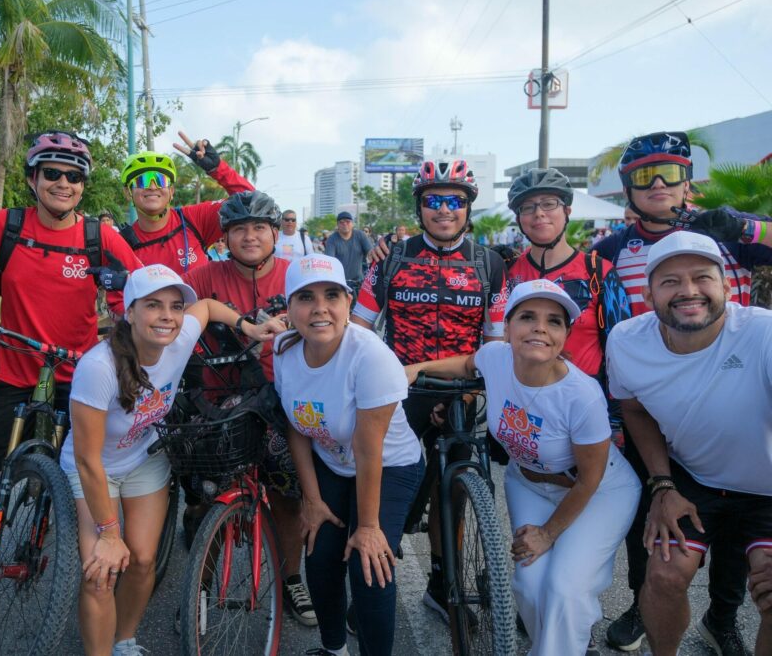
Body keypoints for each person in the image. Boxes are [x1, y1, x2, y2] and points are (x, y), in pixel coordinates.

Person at [0, 130, 141, 631]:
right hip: (14, 372)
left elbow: (138, 289)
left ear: (83, 186)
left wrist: (122, 329)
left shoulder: (97, 237)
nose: (63, 183)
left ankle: (86, 577)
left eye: (73, 176)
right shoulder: (5, 226)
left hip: (79, 378)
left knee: (81, 478)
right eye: (52, 173)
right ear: (33, 179)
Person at [594, 131, 772, 652]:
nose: (657, 184)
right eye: (643, 176)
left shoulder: (725, 232)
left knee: (743, 554)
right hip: (653, 388)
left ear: (687, 179)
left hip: (739, 380)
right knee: (653, 535)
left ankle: (722, 618)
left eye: (669, 172)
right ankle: (641, 606)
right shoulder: (609, 249)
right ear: (626, 189)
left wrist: (745, 225)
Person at [408, 279, 639, 655]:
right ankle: (561, 644)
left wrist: (548, 533)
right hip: (528, 483)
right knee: (529, 587)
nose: (540, 328)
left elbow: (591, 478)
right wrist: (415, 368)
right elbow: (467, 364)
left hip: (596, 491)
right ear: (508, 326)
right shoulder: (497, 357)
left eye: (554, 321)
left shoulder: (581, 396)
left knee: (565, 589)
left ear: (565, 335)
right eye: (527, 317)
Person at [62, 264, 277, 656]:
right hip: (97, 469)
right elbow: (87, 459)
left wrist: (248, 327)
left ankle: (123, 640)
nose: (167, 316)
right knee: (101, 571)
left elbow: (209, 306)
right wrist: (110, 533)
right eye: (153, 305)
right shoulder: (98, 368)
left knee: (143, 560)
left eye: (176, 307)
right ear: (129, 312)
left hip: (143, 458)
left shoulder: (177, 340)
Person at [352, 159, 507, 625]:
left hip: (461, 388)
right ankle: (371, 578)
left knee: (455, 491)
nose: (444, 210)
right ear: (420, 208)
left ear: (467, 208)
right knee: (386, 488)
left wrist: (476, 391)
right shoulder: (392, 258)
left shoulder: (489, 264)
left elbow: (496, 339)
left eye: (454, 201)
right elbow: (359, 325)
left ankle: (442, 584)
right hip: (400, 390)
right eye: (433, 201)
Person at [274, 255, 423, 656]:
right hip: (332, 462)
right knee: (320, 552)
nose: (320, 308)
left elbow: (368, 449)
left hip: (388, 464)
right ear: (288, 309)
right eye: (305, 297)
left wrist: (369, 527)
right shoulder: (284, 351)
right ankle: (333, 649)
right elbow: (296, 428)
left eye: (331, 295)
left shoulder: (371, 358)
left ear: (348, 302)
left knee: (368, 563)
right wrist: (313, 501)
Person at [183, 190, 316, 627]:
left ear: (276, 233)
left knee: (287, 495)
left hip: (280, 399)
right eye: (239, 228)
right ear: (225, 237)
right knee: (207, 497)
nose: (250, 236)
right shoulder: (202, 277)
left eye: (259, 227)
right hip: (218, 399)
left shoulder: (297, 275)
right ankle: (199, 588)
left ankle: (291, 578)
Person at [504, 167, 631, 392]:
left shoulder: (599, 272)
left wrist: (615, 418)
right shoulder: (507, 271)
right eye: (528, 207)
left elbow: (621, 349)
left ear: (567, 211)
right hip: (518, 399)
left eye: (549, 203)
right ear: (518, 219)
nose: (539, 213)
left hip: (583, 401)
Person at [117, 133, 253, 274]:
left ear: (171, 191)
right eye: (142, 181)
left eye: (160, 180)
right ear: (128, 192)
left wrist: (218, 169)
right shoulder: (121, 244)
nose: (152, 187)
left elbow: (250, 203)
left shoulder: (194, 219)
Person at [323, 212, 373, 292]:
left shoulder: (360, 235)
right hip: (340, 282)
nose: (345, 224)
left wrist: (372, 255)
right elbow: (329, 261)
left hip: (359, 282)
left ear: (352, 223)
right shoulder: (332, 239)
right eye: (341, 222)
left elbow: (371, 252)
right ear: (338, 225)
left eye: (347, 221)